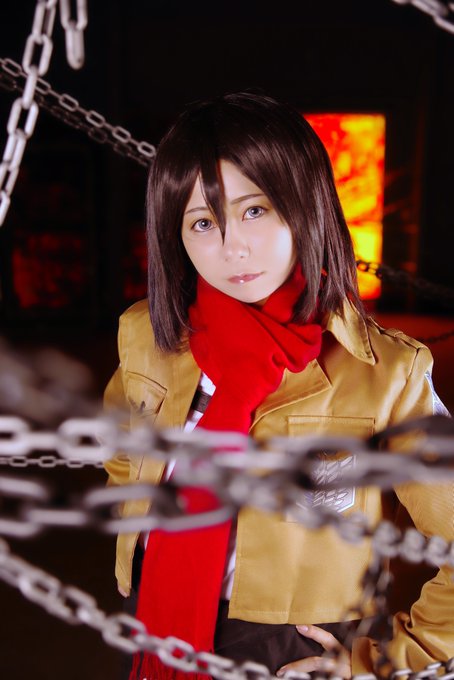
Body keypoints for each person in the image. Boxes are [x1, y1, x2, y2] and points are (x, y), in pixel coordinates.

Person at [104, 92, 453, 680]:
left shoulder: (385, 374)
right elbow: (121, 453)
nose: (232, 247)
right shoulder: (147, 338)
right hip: (159, 619)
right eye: (203, 222)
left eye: (255, 210)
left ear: (304, 205)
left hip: (295, 649)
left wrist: (389, 662)